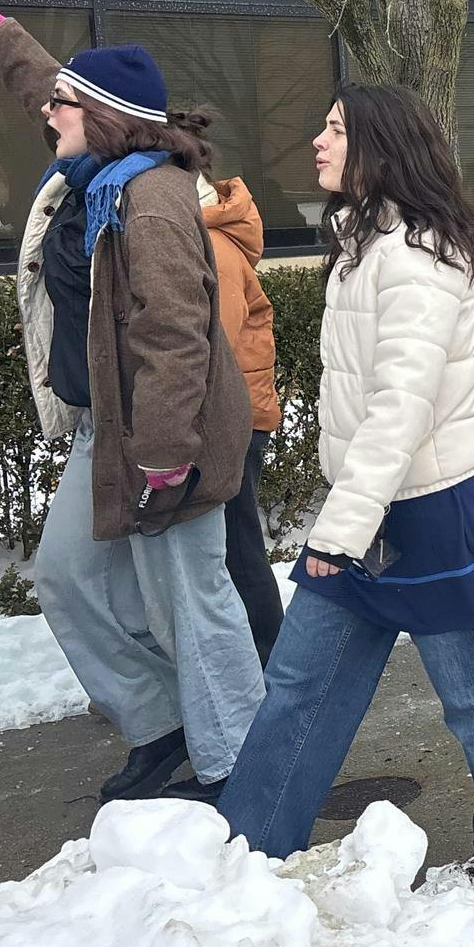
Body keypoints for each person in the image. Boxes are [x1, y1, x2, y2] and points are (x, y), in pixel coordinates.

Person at [0, 0, 263, 801]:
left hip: (166, 437)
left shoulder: (147, 199)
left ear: (107, 116)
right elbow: (36, 76)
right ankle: (162, 724)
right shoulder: (93, 175)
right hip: (102, 429)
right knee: (69, 578)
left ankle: (245, 769)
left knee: (190, 600)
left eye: (66, 105)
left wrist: (163, 455)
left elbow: (176, 337)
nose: (50, 113)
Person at [218, 85, 474, 863]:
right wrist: (348, 523)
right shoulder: (363, 244)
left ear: (380, 148)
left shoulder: (415, 257)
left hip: (436, 512)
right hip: (369, 510)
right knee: (300, 687)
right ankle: (248, 852)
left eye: (335, 128)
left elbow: (400, 406)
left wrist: (337, 533)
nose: (318, 140)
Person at [201, 174, 284, 666]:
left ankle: (272, 653)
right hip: (238, 411)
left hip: (235, 416)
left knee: (237, 541)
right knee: (234, 538)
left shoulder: (213, 244)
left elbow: (216, 343)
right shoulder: (211, 236)